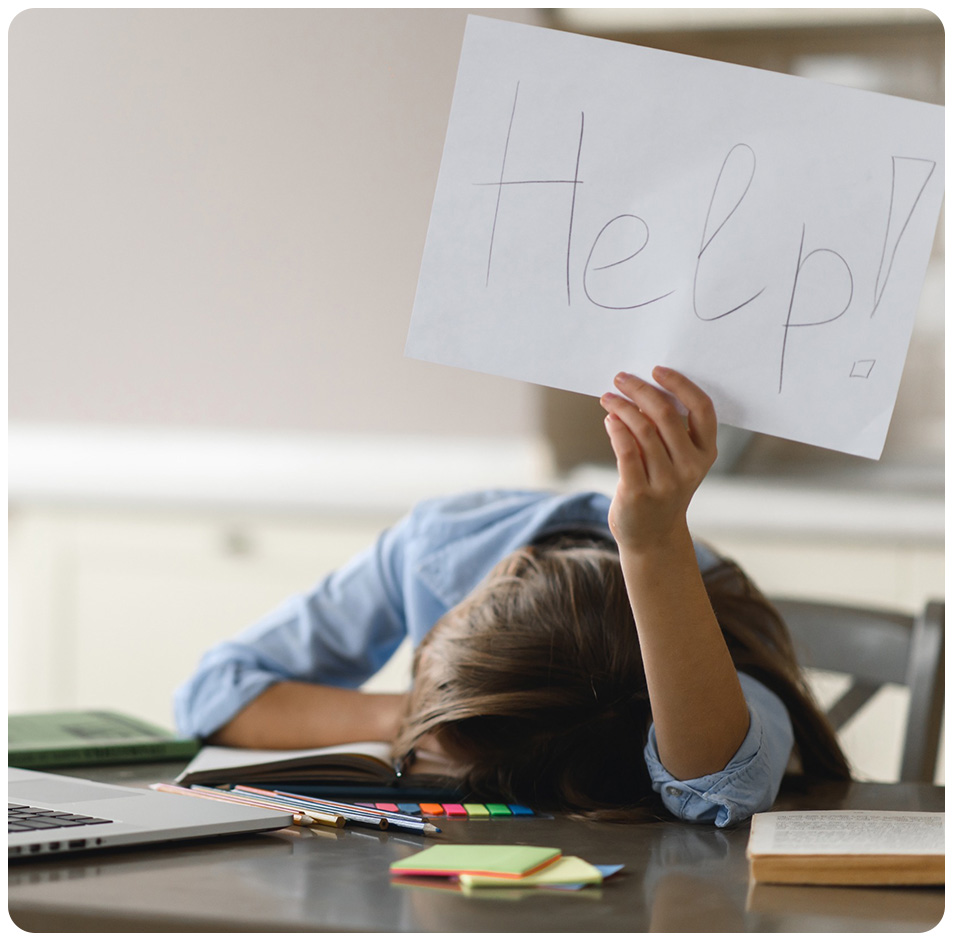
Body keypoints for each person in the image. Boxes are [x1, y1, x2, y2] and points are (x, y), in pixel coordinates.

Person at [174, 368, 850, 826]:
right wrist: (443, 714)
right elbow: (211, 692)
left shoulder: (699, 615)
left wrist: (653, 547)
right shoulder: (438, 551)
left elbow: (719, 787)